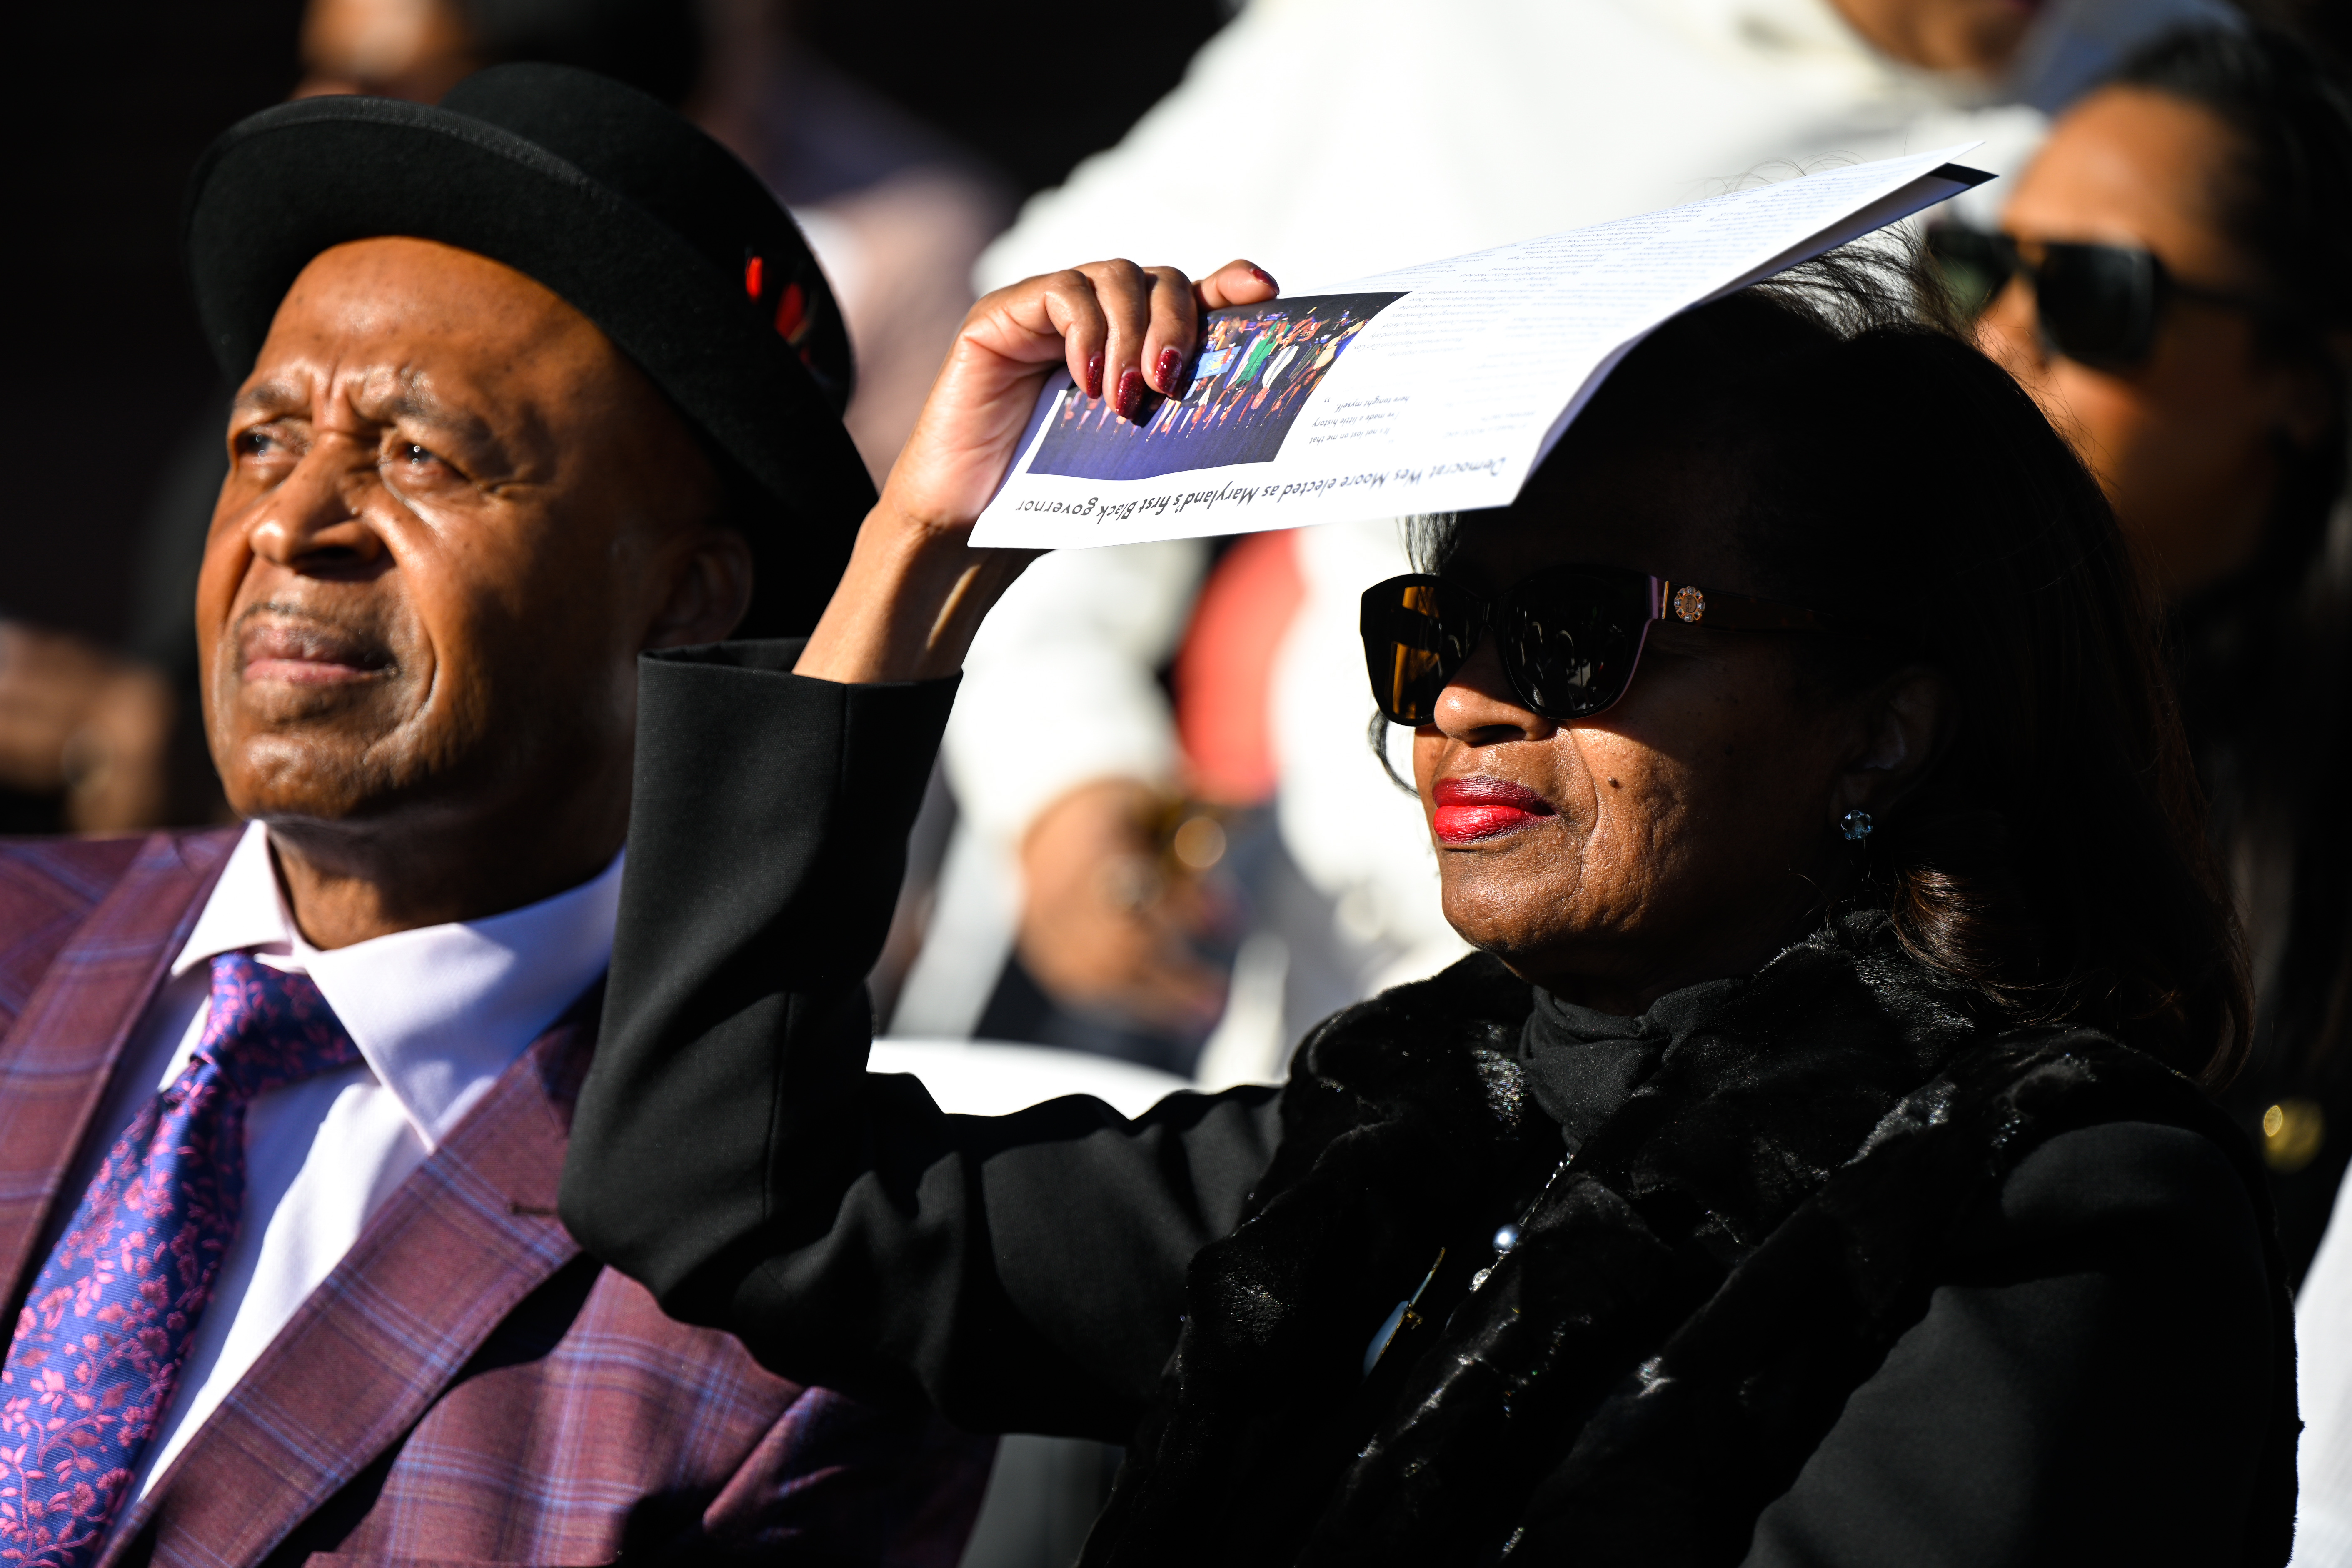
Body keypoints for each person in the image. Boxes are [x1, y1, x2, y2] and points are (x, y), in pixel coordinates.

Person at [564, 238, 2294, 1562]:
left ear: (1881, 723)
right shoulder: (1389, 1144)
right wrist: (929, 548)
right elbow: (726, 1183)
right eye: (1430, 631)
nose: (1459, 698)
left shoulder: (2054, 1204)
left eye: (1570, 632)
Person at [0, 64, 988, 1566]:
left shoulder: (802, 1322)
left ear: (685, 594)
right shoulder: (19, 937)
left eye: (419, 455)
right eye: (265, 438)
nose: (290, 522)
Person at [910, 0, 2249, 1077]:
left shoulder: (2171, 93)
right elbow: (1074, 358)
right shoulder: (1429, 31)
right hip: (1363, 1001)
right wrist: (1068, 770)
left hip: (1895, 1041)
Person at [1966, 26, 2352, 1564]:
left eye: (2094, 297)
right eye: (1982, 268)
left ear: (2304, 392)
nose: (2002, 334)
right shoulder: (1879, 705)